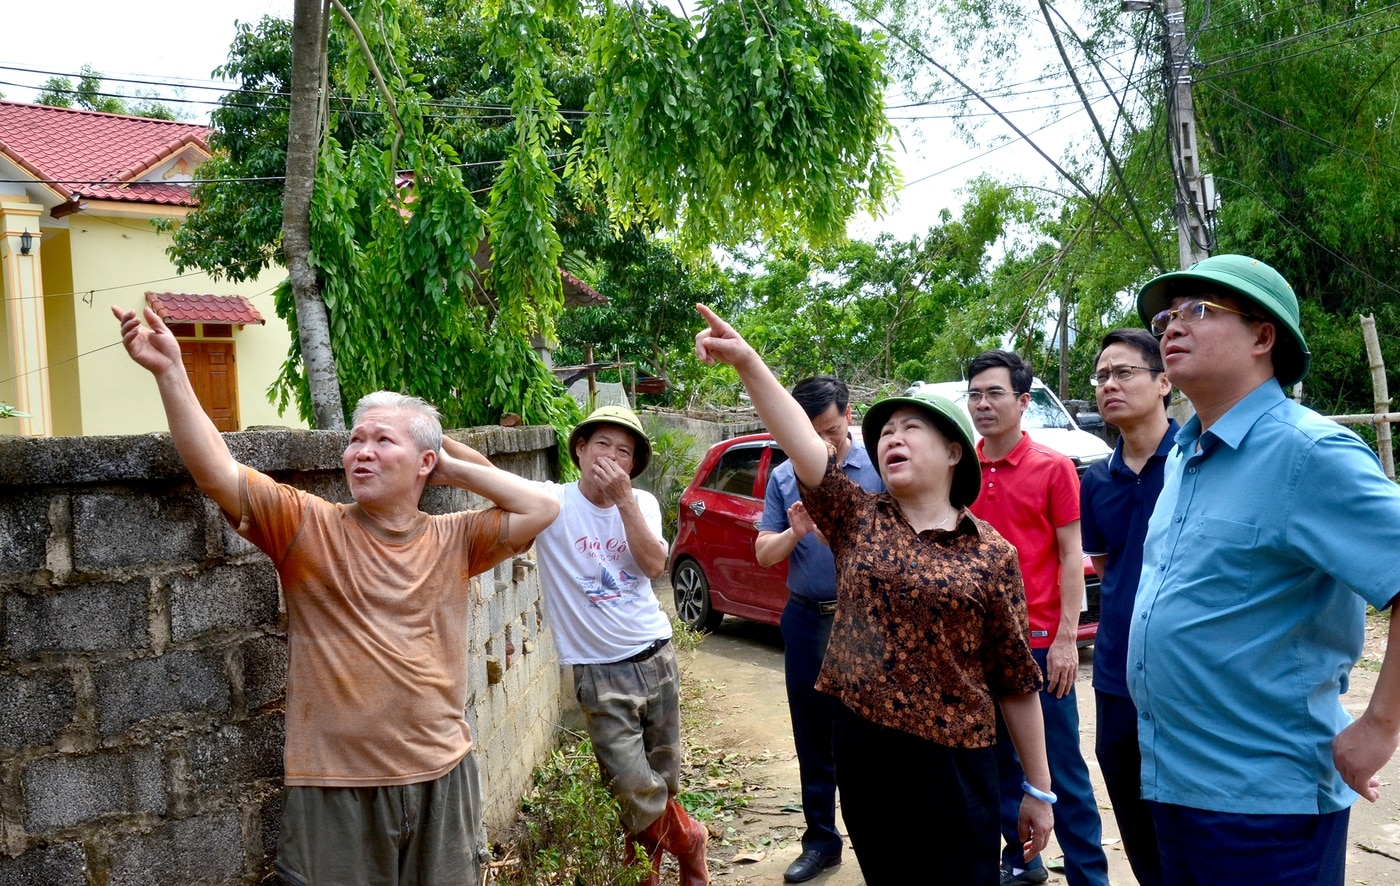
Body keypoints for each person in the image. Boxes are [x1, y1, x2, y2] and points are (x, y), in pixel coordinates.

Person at [112, 305, 560, 886]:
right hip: (334, 785)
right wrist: (171, 371)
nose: (361, 451)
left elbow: (543, 507)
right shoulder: (306, 526)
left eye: (382, 440)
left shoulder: (456, 539)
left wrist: (450, 466)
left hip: (443, 775)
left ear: (425, 462)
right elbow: (218, 473)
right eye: (355, 439)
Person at [695, 304, 1054, 886]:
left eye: (911, 427)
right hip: (868, 748)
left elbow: (1014, 679)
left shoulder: (992, 554)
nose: (893, 437)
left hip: (957, 760)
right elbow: (799, 440)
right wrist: (747, 362)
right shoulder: (856, 517)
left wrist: (1039, 789)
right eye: (886, 430)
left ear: (954, 451)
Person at [1131, 254, 1400, 886]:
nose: (1171, 327)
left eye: (1198, 310)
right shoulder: (1185, 455)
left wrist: (1381, 725)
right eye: (1167, 315)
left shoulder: (1309, 453)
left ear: (1262, 336)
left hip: (1264, 807)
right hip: (1175, 785)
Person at [452, 405, 708, 886]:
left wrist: (625, 501)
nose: (611, 456)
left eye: (624, 451)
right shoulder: (552, 502)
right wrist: (433, 441)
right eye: (602, 445)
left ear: (633, 464)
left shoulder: (644, 503)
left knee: (663, 780)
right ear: (579, 450)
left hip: (656, 656)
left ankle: (644, 874)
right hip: (598, 670)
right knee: (634, 788)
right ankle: (691, 840)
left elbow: (655, 565)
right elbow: (485, 475)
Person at [964, 350, 1110, 886]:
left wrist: (1069, 638)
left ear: (1024, 402)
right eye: (975, 394)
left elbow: (1073, 556)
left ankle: (1089, 876)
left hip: (1042, 644)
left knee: (1059, 771)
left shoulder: (1052, 468)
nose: (983, 404)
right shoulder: (959, 469)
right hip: (975, 647)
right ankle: (1024, 861)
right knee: (998, 764)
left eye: (995, 393)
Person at [753, 376, 884, 883]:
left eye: (829, 430)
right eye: (809, 434)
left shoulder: (878, 467)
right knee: (813, 736)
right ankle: (821, 843)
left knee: (868, 737)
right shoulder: (785, 477)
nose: (822, 444)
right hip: (808, 619)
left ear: (847, 415)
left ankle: (876, 839)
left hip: (866, 624)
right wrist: (796, 531)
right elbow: (764, 552)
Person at [1079, 329, 1177, 886]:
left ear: (1164, 383)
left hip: (1181, 674)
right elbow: (1106, 566)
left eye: (1124, 373)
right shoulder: (1097, 479)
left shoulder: (1197, 460)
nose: (1109, 385)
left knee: (1186, 813)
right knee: (1129, 797)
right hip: (1115, 674)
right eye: (1102, 376)